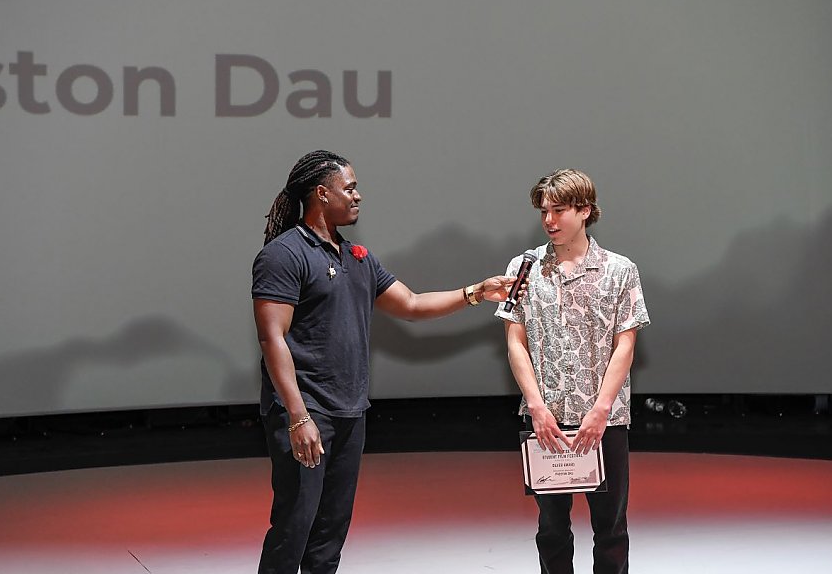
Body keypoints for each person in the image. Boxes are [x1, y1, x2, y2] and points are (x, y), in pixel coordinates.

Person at [251, 150, 516, 574]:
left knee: (331, 531)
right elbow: (272, 338)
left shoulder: (356, 256)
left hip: (350, 412)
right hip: (305, 412)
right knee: (294, 525)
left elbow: (411, 303)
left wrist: (475, 292)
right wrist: (299, 418)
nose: (358, 195)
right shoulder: (284, 255)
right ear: (322, 193)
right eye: (350, 187)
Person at [496, 169, 650, 574]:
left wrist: (600, 410)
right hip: (546, 419)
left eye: (559, 210)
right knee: (551, 528)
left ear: (584, 210)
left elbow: (626, 345)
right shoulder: (523, 266)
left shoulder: (620, 270)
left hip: (606, 420)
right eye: (543, 211)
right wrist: (536, 406)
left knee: (611, 527)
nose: (549, 220)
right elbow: (515, 341)